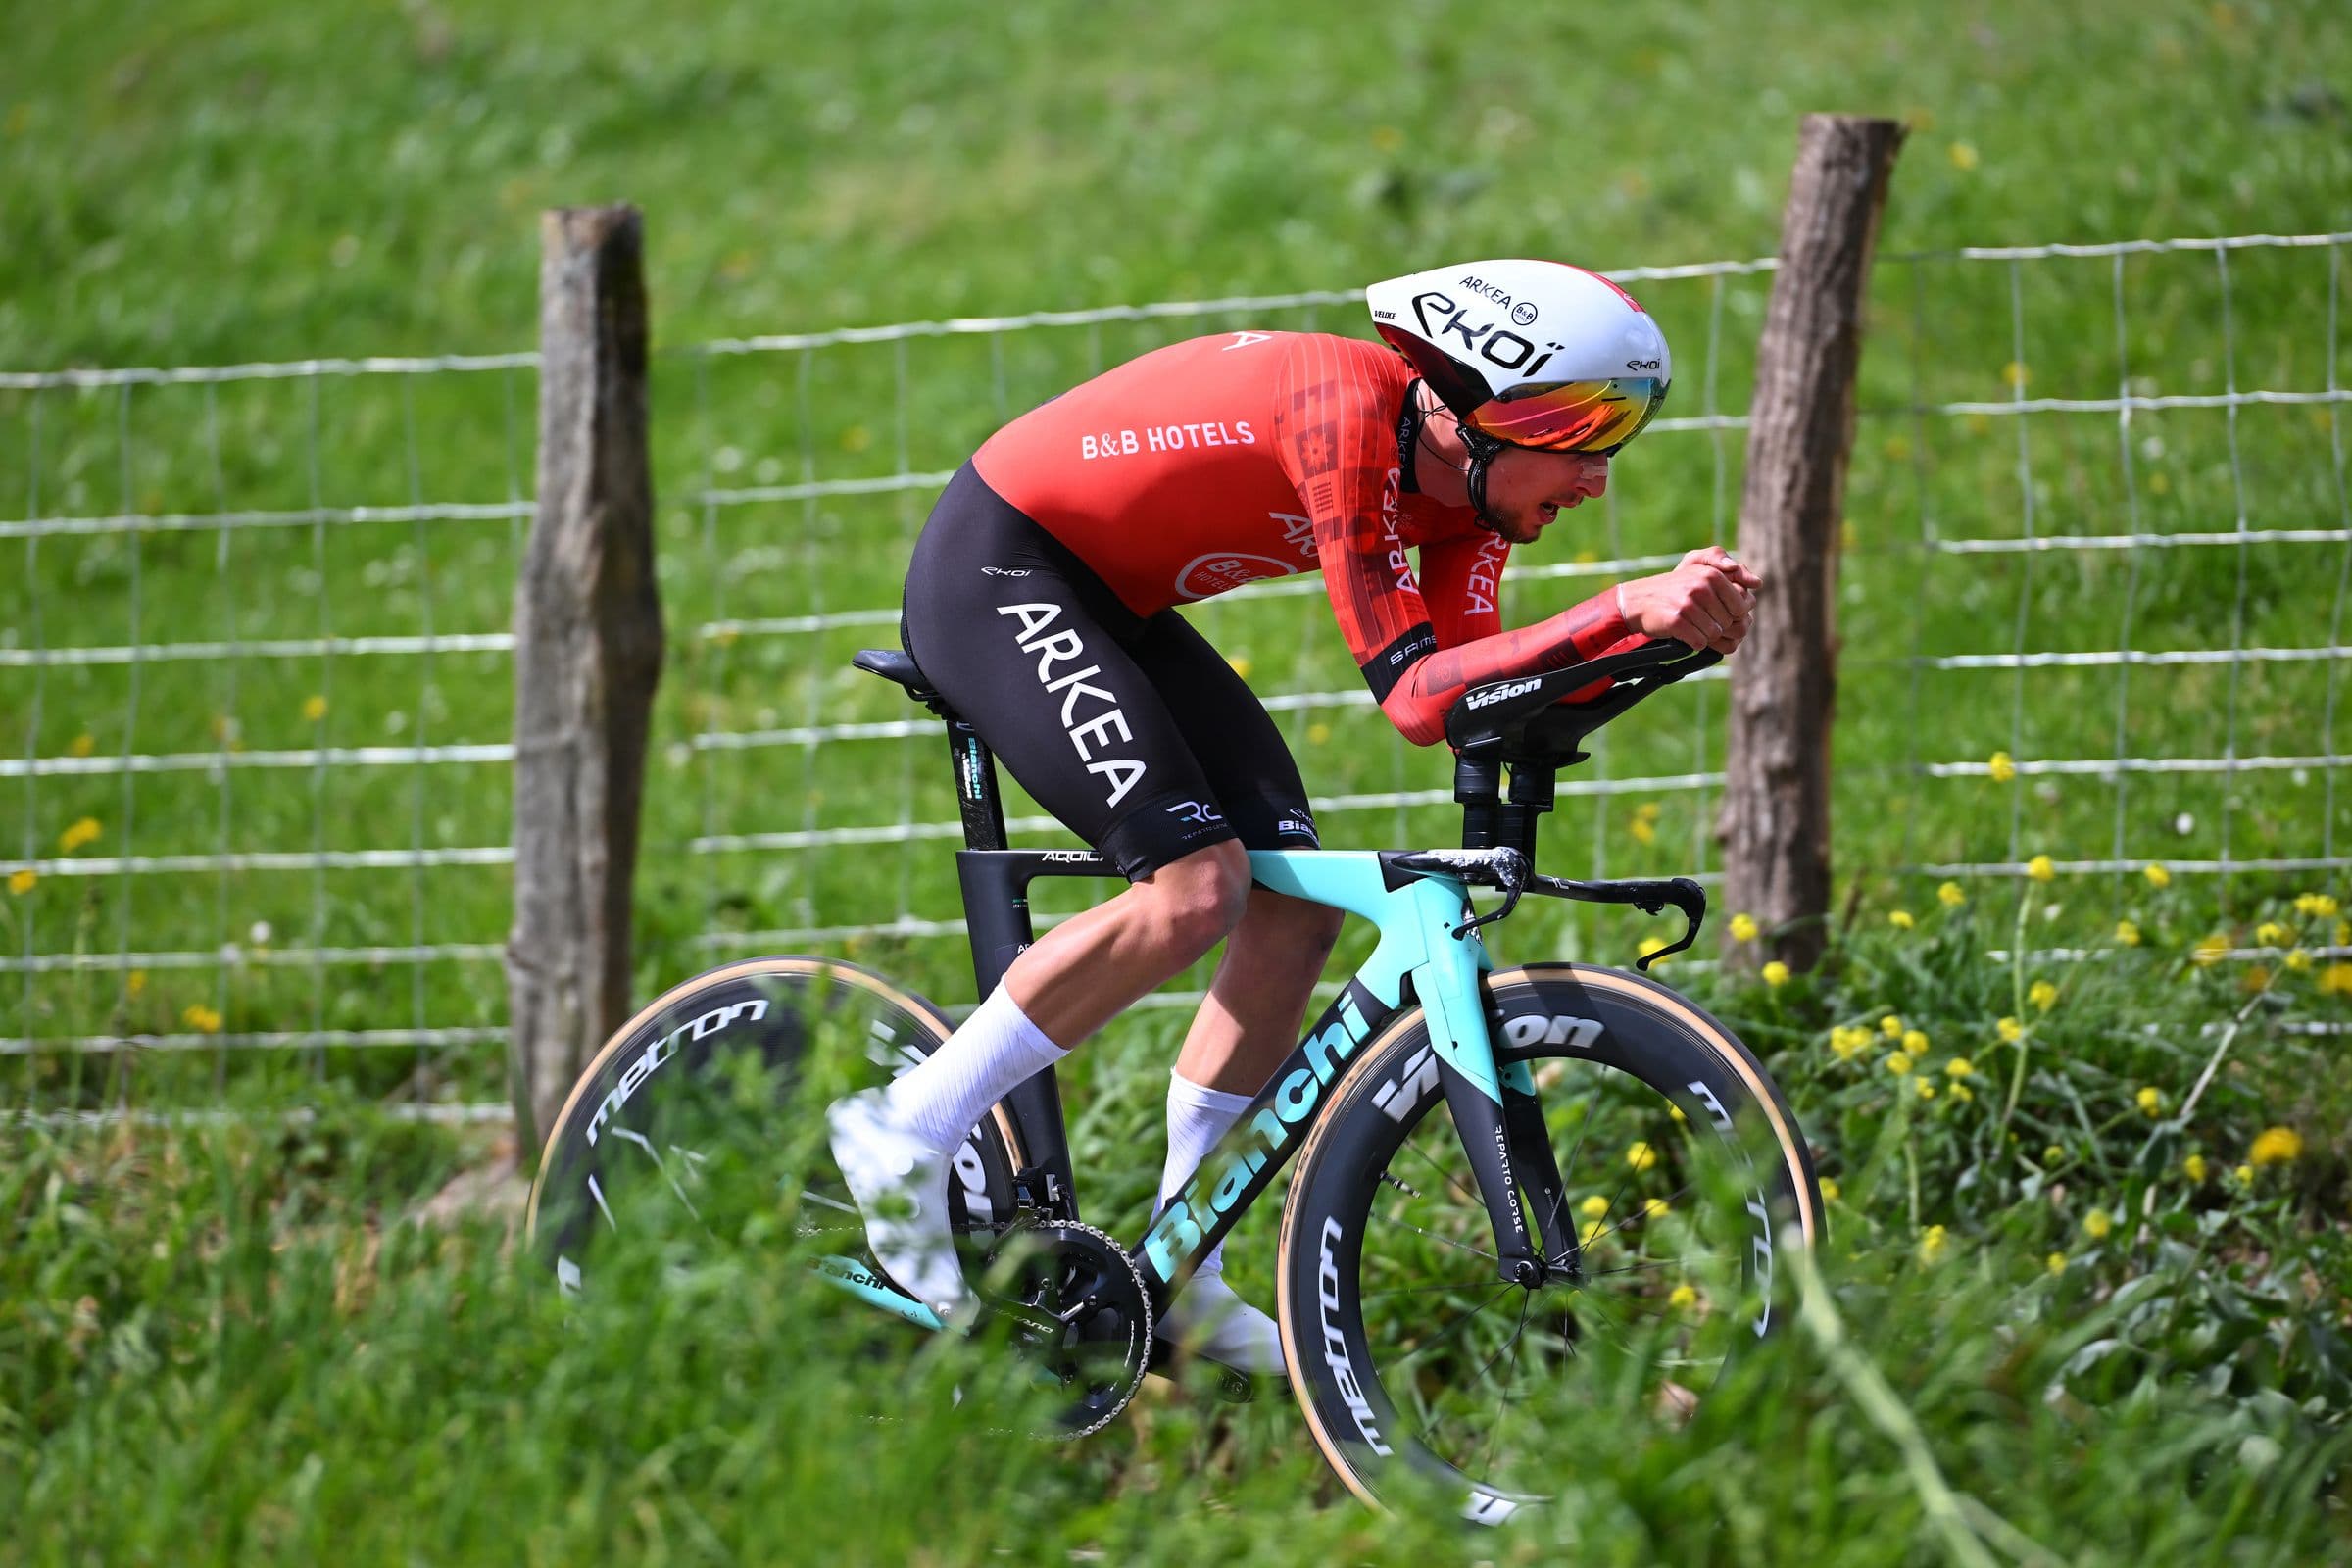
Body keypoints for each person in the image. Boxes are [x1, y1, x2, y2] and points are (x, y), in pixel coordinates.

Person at [828, 258, 1762, 1378]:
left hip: (1115, 604)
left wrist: (1652, 642)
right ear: (1478, 404)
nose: (1599, 477)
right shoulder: (1343, 414)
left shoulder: (1470, 497)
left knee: (1293, 908)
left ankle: (1183, 1264)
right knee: (1196, 888)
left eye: (1622, 433)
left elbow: (1475, 694)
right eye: (1582, 428)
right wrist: (1617, 606)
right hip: (1001, 569)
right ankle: (905, 1128)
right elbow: (1415, 698)